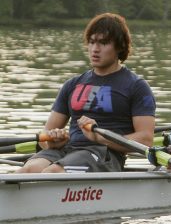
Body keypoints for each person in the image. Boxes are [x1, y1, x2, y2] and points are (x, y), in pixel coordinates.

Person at [17, 13, 156, 173]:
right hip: (67, 150)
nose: (95, 49)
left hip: (104, 155)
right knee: (27, 171)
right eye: (91, 42)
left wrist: (99, 138)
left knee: (52, 173)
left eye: (103, 43)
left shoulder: (136, 86)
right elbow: (45, 135)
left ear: (120, 46)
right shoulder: (72, 84)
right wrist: (52, 142)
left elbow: (146, 140)